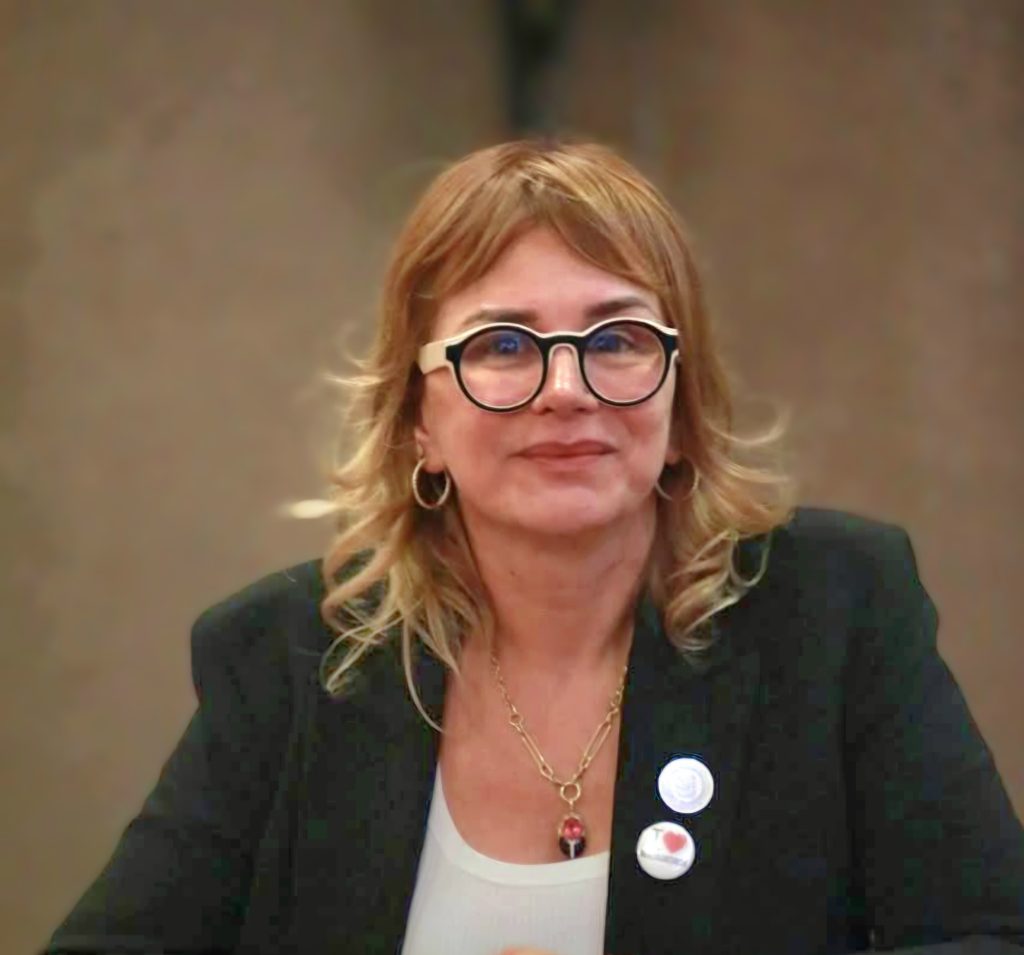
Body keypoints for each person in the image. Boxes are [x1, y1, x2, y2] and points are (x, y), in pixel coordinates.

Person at [47, 141, 1024, 955]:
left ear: (681, 405)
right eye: (503, 345)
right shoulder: (290, 657)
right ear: (417, 422)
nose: (565, 389)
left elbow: (985, 934)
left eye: (616, 340)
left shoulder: (838, 613)